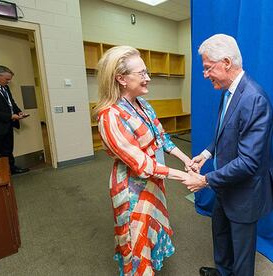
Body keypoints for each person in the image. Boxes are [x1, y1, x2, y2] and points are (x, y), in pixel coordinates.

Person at [93, 46, 192, 275]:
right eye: (142, 74)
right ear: (121, 79)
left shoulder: (143, 104)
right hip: (132, 190)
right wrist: (186, 176)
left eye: (147, 72)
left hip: (154, 181)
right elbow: (142, 164)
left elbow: (161, 137)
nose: (148, 78)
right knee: (136, 243)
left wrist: (186, 159)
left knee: (148, 235)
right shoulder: (110, 117)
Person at [185, 34, 273, 276]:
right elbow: (225, 131)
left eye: (207, 68)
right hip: (225, 186)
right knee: (222, 238)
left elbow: (248, 162)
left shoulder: (254, 99)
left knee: (242, 256)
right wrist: (207, 153)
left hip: (244, 192)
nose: (204, 75)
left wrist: (205, 180)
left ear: (225, 62)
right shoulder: (228, 92)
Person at [0, 65, 29, 174]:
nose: (9, 81)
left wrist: (18, 111)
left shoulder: (5, 87)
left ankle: (11, 168)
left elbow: (11, 103)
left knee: (8, 150)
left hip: (8, 125)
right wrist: (9, 116)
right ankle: (1, 174)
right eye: (7, 79)